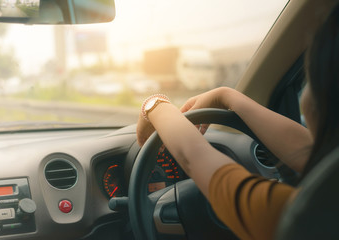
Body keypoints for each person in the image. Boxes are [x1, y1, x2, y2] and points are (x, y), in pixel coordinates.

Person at [136, 4, 339, 240]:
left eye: (308, 80)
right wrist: (225, 95)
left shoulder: (302, 214)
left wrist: (153, 103)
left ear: (324, 99)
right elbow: (312, 153)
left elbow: (194, 157)